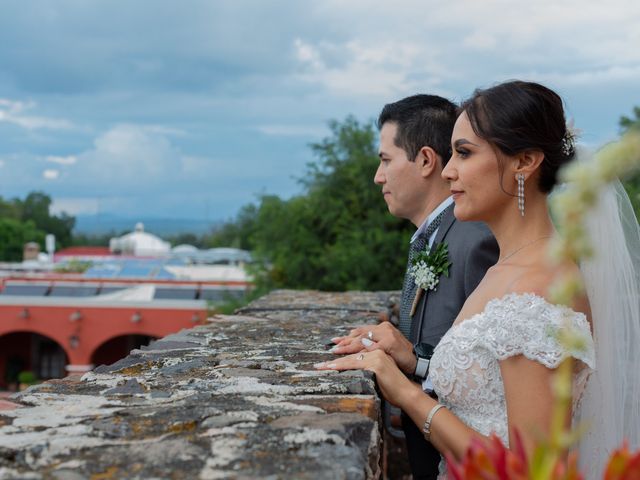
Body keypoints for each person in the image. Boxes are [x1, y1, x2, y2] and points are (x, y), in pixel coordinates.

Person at [317, 80, 640, 477]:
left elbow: (531, 470)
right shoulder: (505, 269)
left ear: (525, 162)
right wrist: (412, 360)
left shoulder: (539, 289)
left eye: (464, 153)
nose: (448, 170)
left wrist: (403, 392)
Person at [330, 94, 498, 479]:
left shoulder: (475, 241)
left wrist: (413, 372)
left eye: (385, 160)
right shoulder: (437, 235)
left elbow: (492, 373)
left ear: (425, 160)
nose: (378, 176)